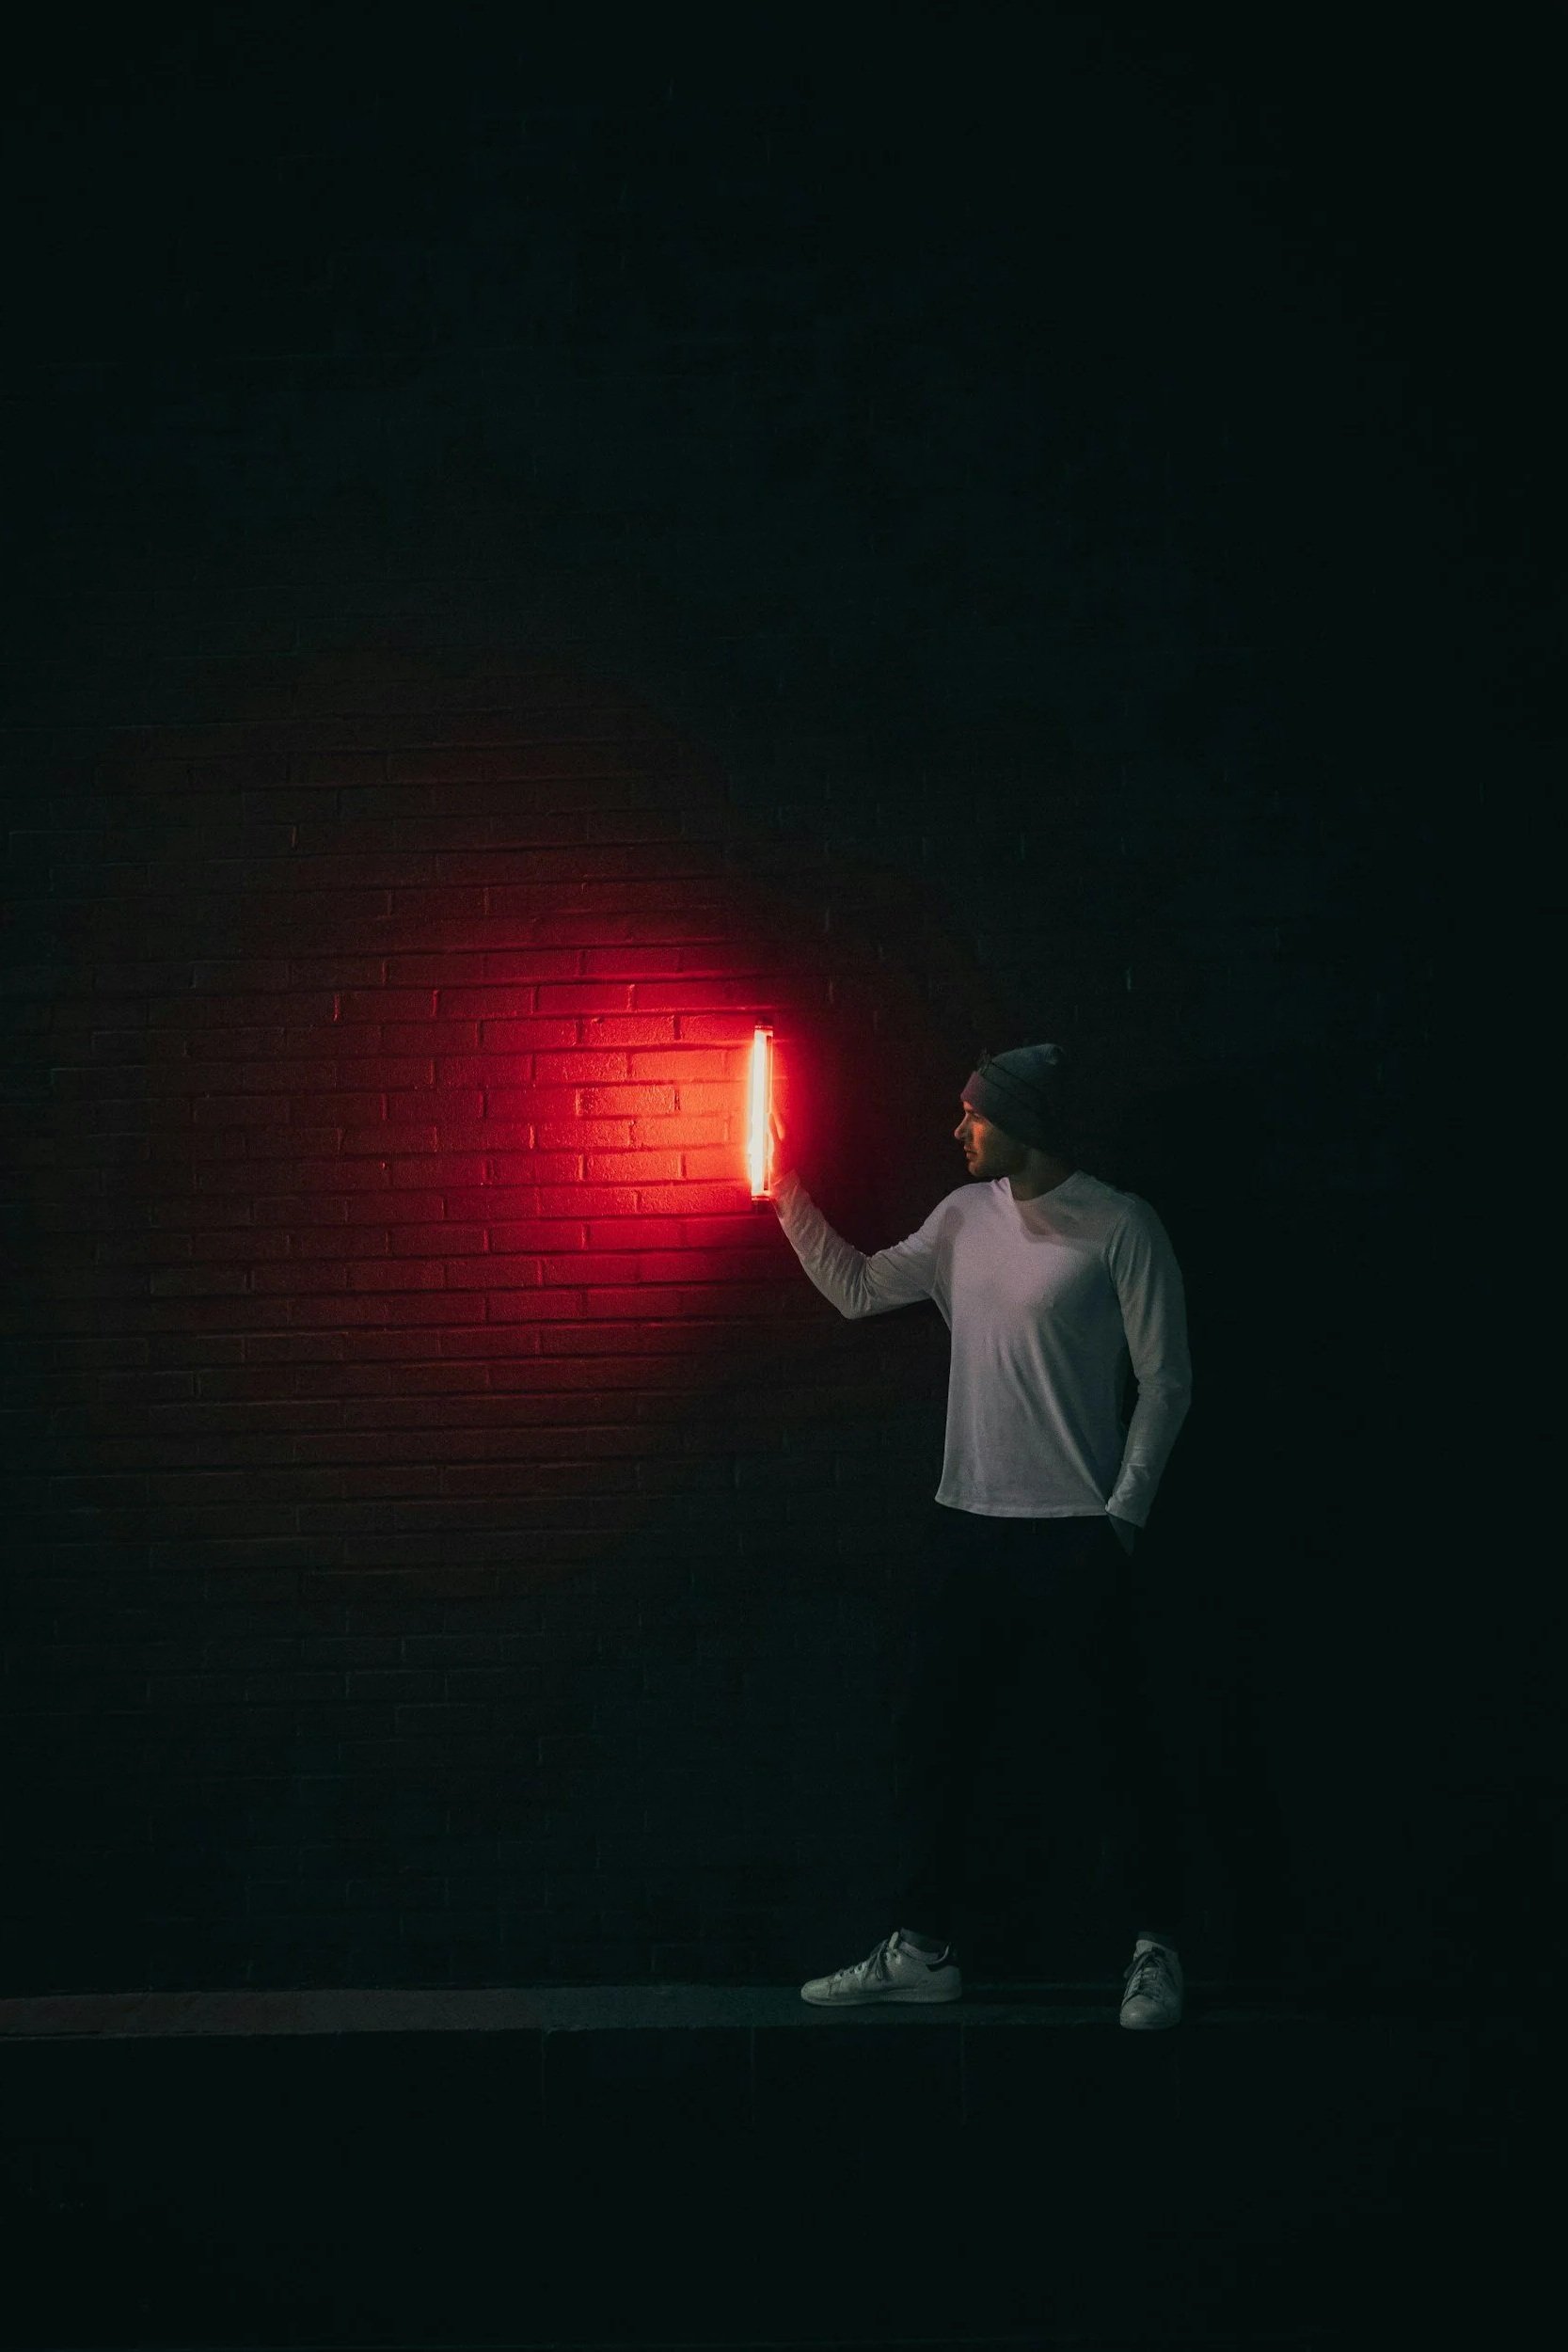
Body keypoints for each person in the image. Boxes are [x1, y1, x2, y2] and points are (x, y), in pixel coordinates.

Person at [771, 1042, 1195, 2028]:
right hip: (964, 1526)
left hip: (1074, 1535)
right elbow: (860, 1286)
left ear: (1025, 1124)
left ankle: (1154, 1946)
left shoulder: (1120, 1225)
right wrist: (782, 1187)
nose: (954, 1129)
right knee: (930, 1741)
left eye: (972, 1114)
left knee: (1115, 1746)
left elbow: (1166, 1381)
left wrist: (1121, 1515)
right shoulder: (962, 1219)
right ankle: (920, 1948)